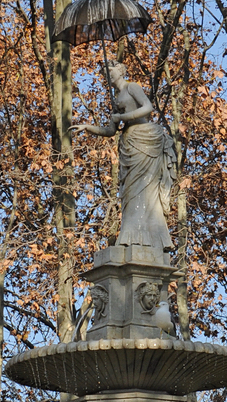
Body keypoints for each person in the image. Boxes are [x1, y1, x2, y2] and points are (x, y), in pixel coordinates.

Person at [75, 62, 176, 263]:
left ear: (120, 71)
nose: (108, 75)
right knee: (130, 195)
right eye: (106, 73)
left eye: (110, 71)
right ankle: (133, 237)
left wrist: (123, 116)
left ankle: (146, 239)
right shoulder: (116, 98)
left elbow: (148, 108)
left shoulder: (132, 87)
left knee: (145, 192)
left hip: (145, 141)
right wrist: (87, 127)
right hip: (129, 143)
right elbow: (111, 131)